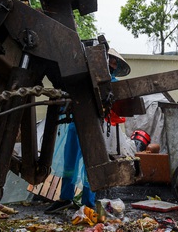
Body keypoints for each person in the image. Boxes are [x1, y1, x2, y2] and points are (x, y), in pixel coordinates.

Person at [44, 48, 131, 214]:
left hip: (93, 128)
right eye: (111, 60)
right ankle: (65, 198)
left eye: (115, 62)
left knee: (90, 163)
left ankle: (88, 203)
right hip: (75, 124)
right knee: (69, 163)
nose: (112, 64)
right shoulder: (85, 75)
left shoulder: (112, 83)